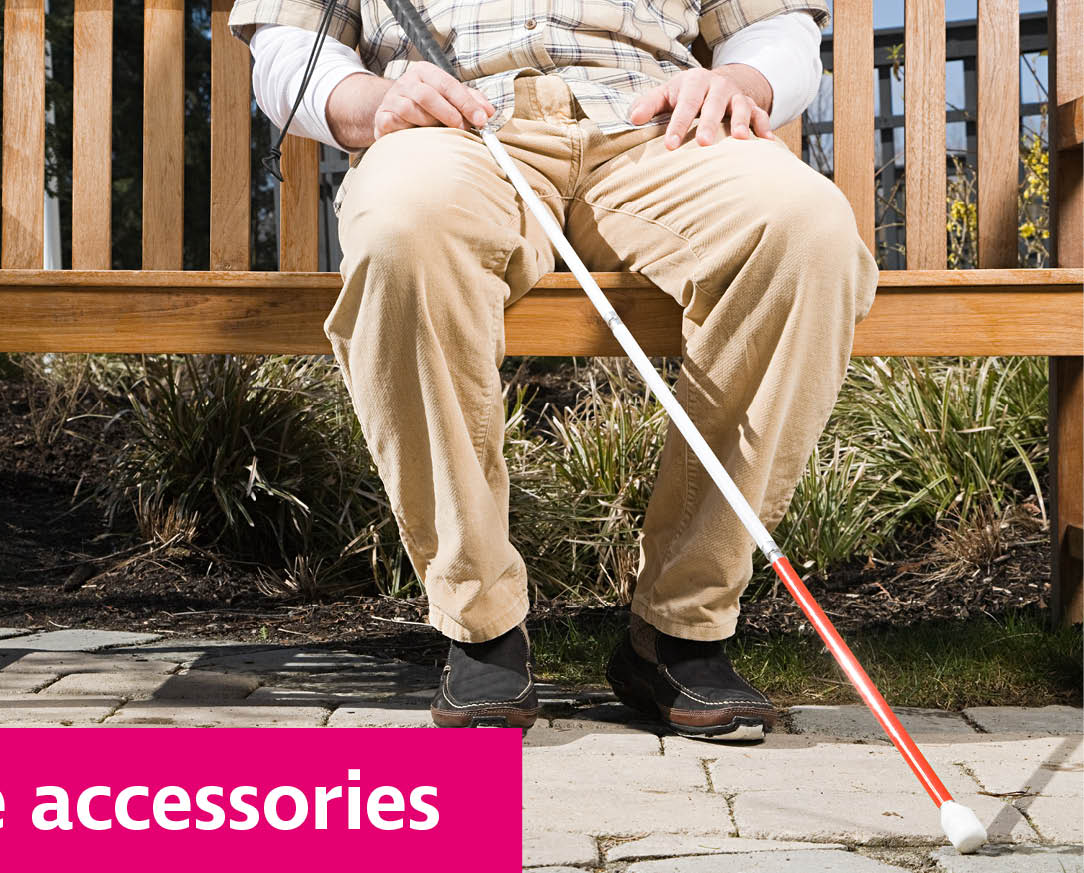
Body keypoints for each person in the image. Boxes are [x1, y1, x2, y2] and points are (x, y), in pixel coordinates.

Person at [228, 0, 879, 738]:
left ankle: (677, 629)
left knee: (806, 232)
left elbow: (776, 25)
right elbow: (288, 48)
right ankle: (483, 628)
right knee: (403, 233)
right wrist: (371, 100)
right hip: (453, 132)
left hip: (655, 127)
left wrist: (741, 76)